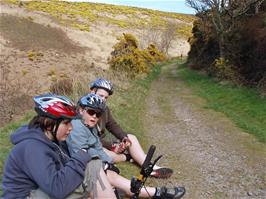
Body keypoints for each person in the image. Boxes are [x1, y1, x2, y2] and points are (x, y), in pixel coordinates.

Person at [67, 93, 186, 199]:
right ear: (81, 110)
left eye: (98, 114)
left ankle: (153, 188)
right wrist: (104, 164)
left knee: (112, 175)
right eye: (91, 112)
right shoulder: (77, 127)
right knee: (112, 177)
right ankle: (157, 192)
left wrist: (108, 162)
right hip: (80, 168)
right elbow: (80, 154)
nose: (94, 116)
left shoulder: (89, 126)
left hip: (91, 165)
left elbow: (98, 146)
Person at [2, 93, 116, 199]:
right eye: (66, 123)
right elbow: (57, 188)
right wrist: (80, 158)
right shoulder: (33, 148)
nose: (71, 127)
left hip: (40, 190)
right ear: (48, 124)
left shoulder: (51, 140)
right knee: (90, 168)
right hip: (25, 196)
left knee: (91, 167)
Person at [89, 78, 173, 178]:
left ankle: (149, 166)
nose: (103, 99)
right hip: (92, 145)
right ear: (92, 91)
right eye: (100, 96)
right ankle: (127, 157)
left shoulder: (104, 109)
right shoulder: (84, 109)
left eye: (106, 97)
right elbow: (90, 138)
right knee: (107, 155)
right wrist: (111, 146)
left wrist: (124, 138)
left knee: (131, 137)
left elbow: (113, 125)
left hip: (103, 142)